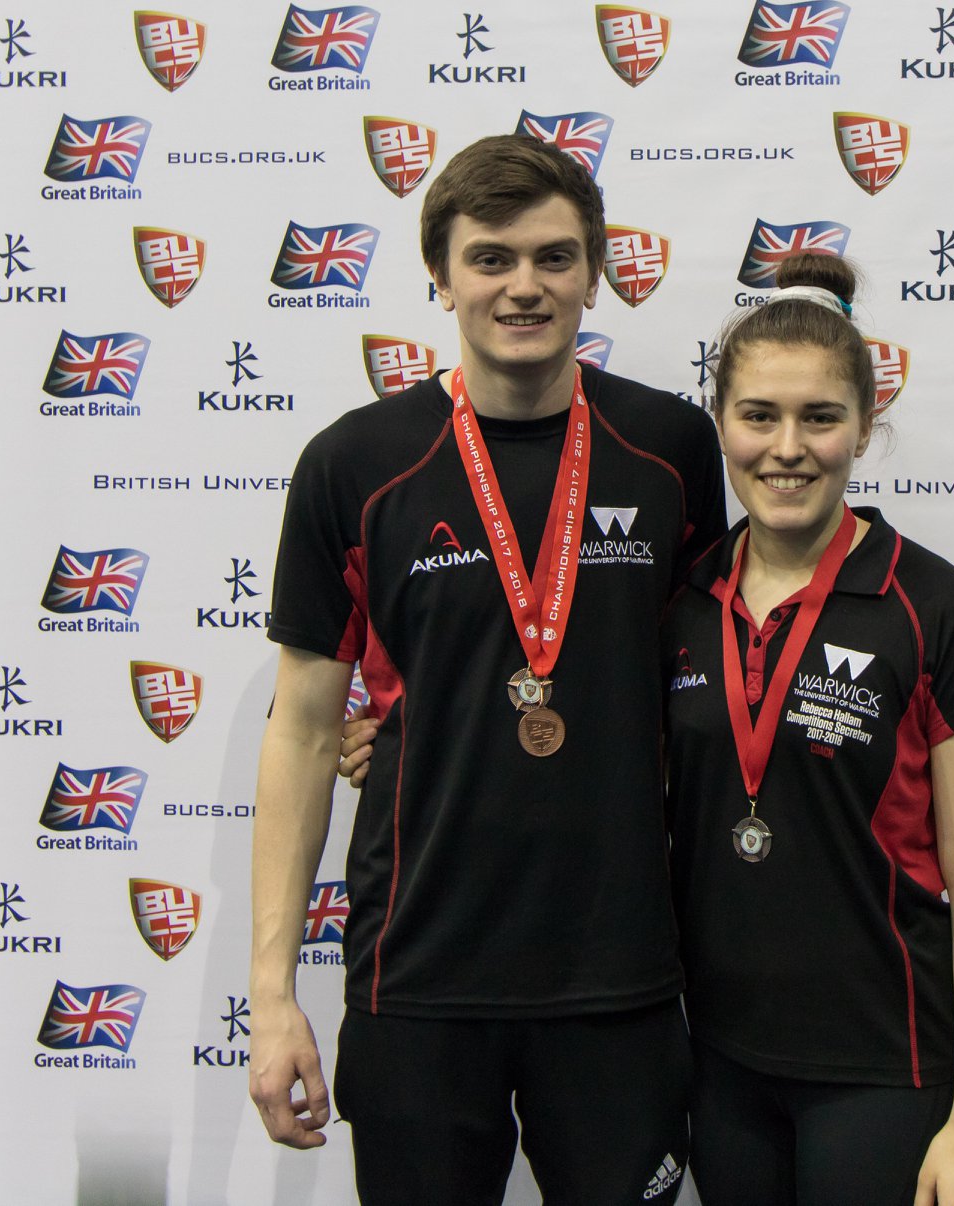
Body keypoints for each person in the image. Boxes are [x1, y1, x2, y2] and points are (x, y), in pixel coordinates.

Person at [249, 133, 726, 1205]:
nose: (526, 287)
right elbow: (301, 731)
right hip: (419, 974)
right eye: (492, 258)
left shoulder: (671, 447)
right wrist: (272, 996)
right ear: (441, 274)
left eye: (555, 258)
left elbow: (708, 679)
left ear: (595, 271)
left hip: (621, 976)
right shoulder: (356, 464)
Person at [662, 253, 954, 1206]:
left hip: (882, 1067)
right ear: (721, 426)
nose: (788, 447)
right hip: (720, 1063)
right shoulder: (683, 598)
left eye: (820, 417)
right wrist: (389, 736)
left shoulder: (934, 610)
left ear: (865, 426)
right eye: (759, 416)